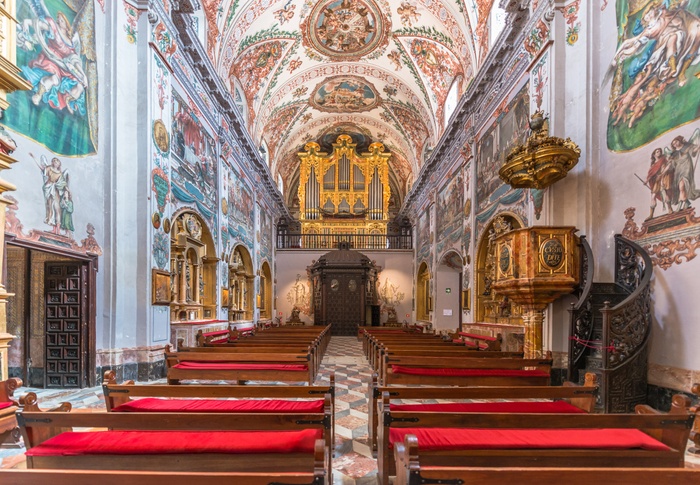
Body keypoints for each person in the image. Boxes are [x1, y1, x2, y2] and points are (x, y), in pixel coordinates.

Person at [33, 153, 68, 233]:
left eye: (57, 162)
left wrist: (66, 191)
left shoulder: (60, 174)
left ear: (59, 164)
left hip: (55, 191)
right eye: (54, 162)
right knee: (50, 208)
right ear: (52, 162)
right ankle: (54, 229)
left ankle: (58, 230)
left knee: (57, 209)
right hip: (49, 190)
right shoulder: (49, 168)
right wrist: (34, 158)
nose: (56, 163)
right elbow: (42, 169)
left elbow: (63, 184)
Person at [670, 135, 700, 210]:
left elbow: (693, 151)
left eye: (676, 142)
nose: (675, 144)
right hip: (678, 171)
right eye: (673, 144)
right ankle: (686, 202)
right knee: (680, 187)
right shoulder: (674, 153)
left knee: (682, 186)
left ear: (679, 140)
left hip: (686, 168)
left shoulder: (687, 146)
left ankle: (680, 203)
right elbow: (673, 165)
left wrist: (698, 147)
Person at [646, 147, 674, 219]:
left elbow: (668, 166)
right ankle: (651, 215)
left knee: (665, 193)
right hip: (657, 181)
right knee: (653, 196)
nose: (659, 153)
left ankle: (670, 209)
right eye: (657, 152)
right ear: (654, 154)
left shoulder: (663, 159)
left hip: (663, 178)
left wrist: (661, 174)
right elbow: (651, 174)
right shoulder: (653, 164)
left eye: (660, 151)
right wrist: (647, 181)